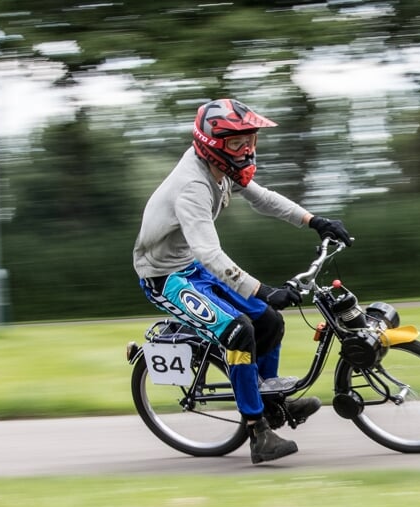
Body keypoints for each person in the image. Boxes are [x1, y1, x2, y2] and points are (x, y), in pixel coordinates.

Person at [133, 98, 352, 464]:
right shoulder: (193, 186)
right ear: (213, 145)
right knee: (238, 332)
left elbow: (263, 199)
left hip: (191, 265)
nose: (247, 149)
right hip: (165, 276)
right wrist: (262, 290)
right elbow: (211, 254)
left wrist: (314, 221)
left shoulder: (222, 167)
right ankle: (258, 431)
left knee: (269, 320)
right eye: (238, 142)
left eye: (251, 140)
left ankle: (270, 403)